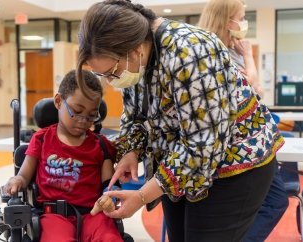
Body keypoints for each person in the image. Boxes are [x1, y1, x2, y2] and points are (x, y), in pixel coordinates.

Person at [75, 0, 285, 241]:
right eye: (104, 75)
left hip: (234, 162)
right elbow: (136, 117)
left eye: (113, 72)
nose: (112, 81)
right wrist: (131, 151)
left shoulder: (191, 50)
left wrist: (143, 195)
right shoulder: (134, 60)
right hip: (182, 160)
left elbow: (203, 145)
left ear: (135, 50)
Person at [198, 1, 289, 241]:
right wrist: (248, 55)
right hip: (241, 149)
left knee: (273, 201)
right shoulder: (215, 53)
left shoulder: (229, 49)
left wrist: (247, 55)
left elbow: (256, 90)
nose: (244, 22)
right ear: (228, 20)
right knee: (275, 201)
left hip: (252, 146)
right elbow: (255, 90)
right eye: (241, 17)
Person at [3, 70, 123, 242]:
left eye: (91, 115)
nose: (83, 120)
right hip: (54, 215)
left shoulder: (101, 145)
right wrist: (16, 181)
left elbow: (110, 186)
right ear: (58, 101)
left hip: (94, 213)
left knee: (110, 237)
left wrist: (112, 197)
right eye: (76, 111)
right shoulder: (43, 139)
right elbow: (23, 175)